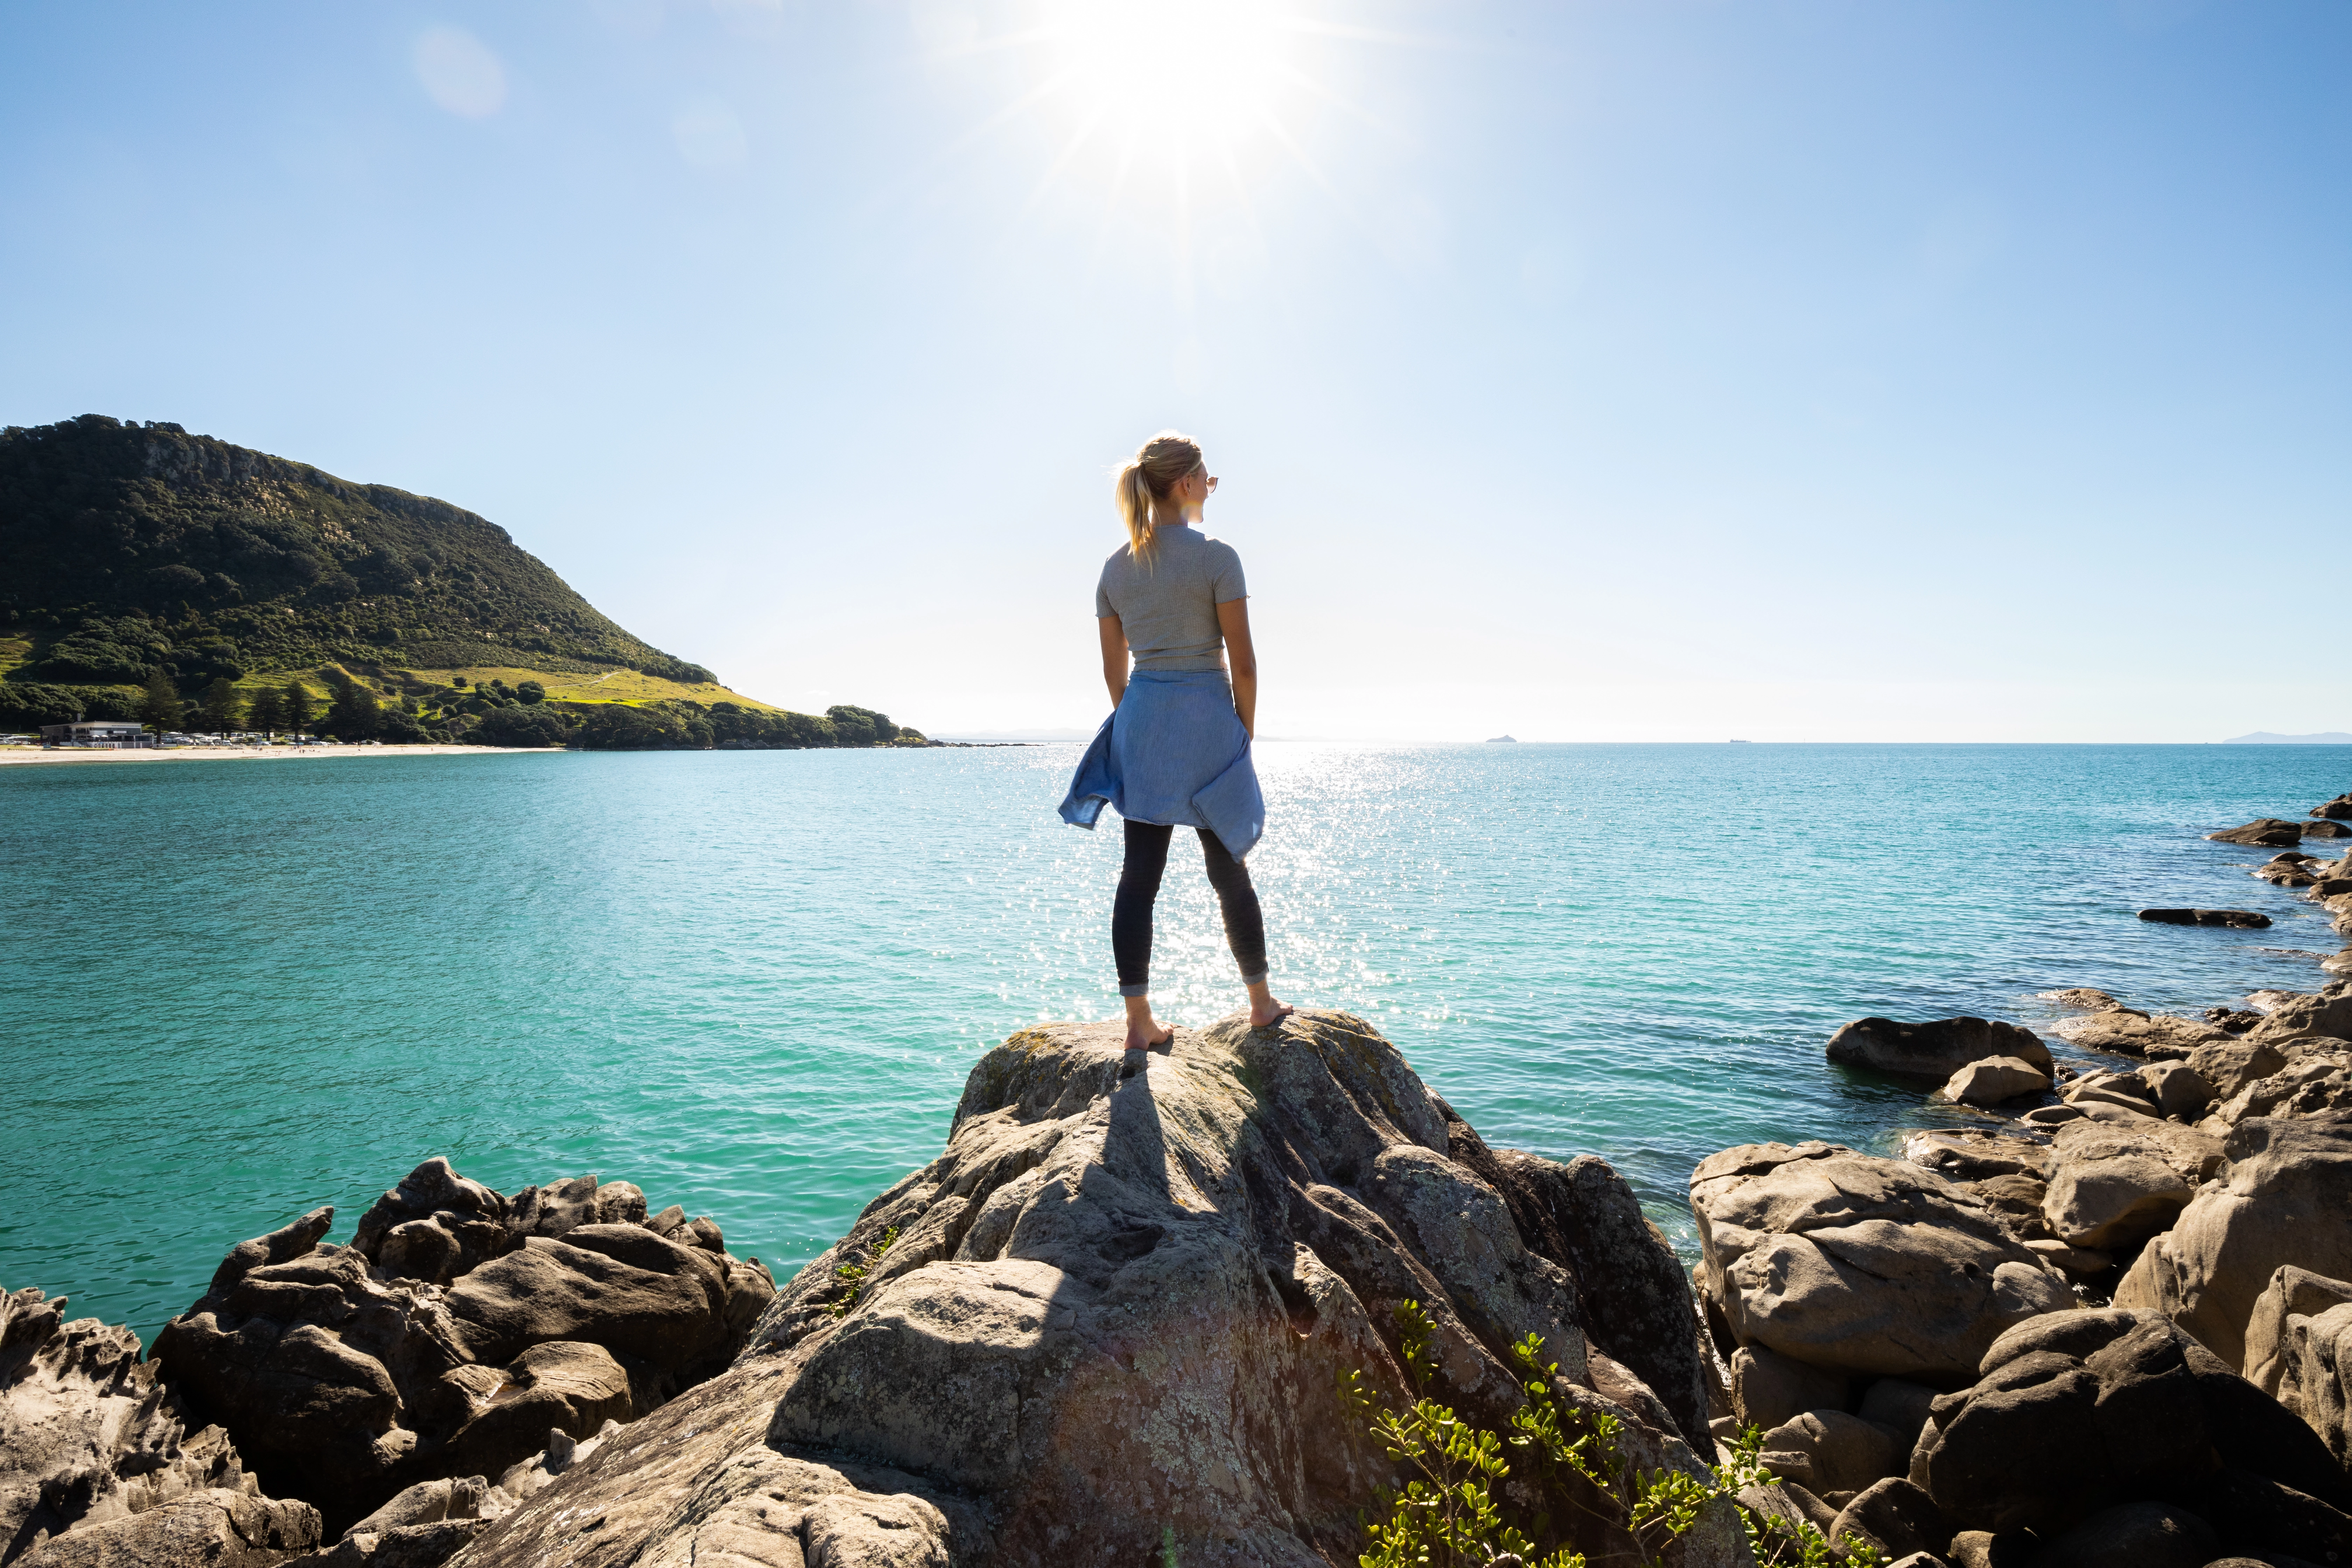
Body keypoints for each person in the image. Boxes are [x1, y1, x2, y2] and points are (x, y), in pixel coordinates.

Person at [1059, 431, 1293, 1050]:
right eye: (1208, 480)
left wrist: (1143, 725)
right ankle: (1261, 1003)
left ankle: (1138, 1023)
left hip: (1145, 722)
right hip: (1211, 725)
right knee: (1228, 871)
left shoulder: (1114, 569)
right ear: (1186, 484)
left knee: (1140, 876)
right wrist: (1242, 732)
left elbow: (1114, 675)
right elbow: (1242, 664)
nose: (1210, 491)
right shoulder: (1219, 558)